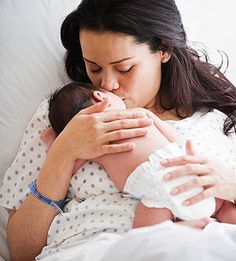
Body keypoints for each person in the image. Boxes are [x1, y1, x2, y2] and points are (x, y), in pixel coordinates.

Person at [2, 0, 236, 260]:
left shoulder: (219, 119)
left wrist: (231, 186)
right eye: (94, 68)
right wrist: (63, 152)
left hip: (204, 243)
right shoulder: (68, 113)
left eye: (124, 68)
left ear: (163, 50)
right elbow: (20, 252)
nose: (107, 84)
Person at [43, 81, 236, 227]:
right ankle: (211, 219)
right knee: (222, 207)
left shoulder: (92, 147)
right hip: (183, 172)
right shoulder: (139, 113)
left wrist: (55, 143)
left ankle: (187, 227)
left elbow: (72, 164)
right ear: (102, 98)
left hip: (154, 190)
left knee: (148, 231)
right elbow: (171, 135)